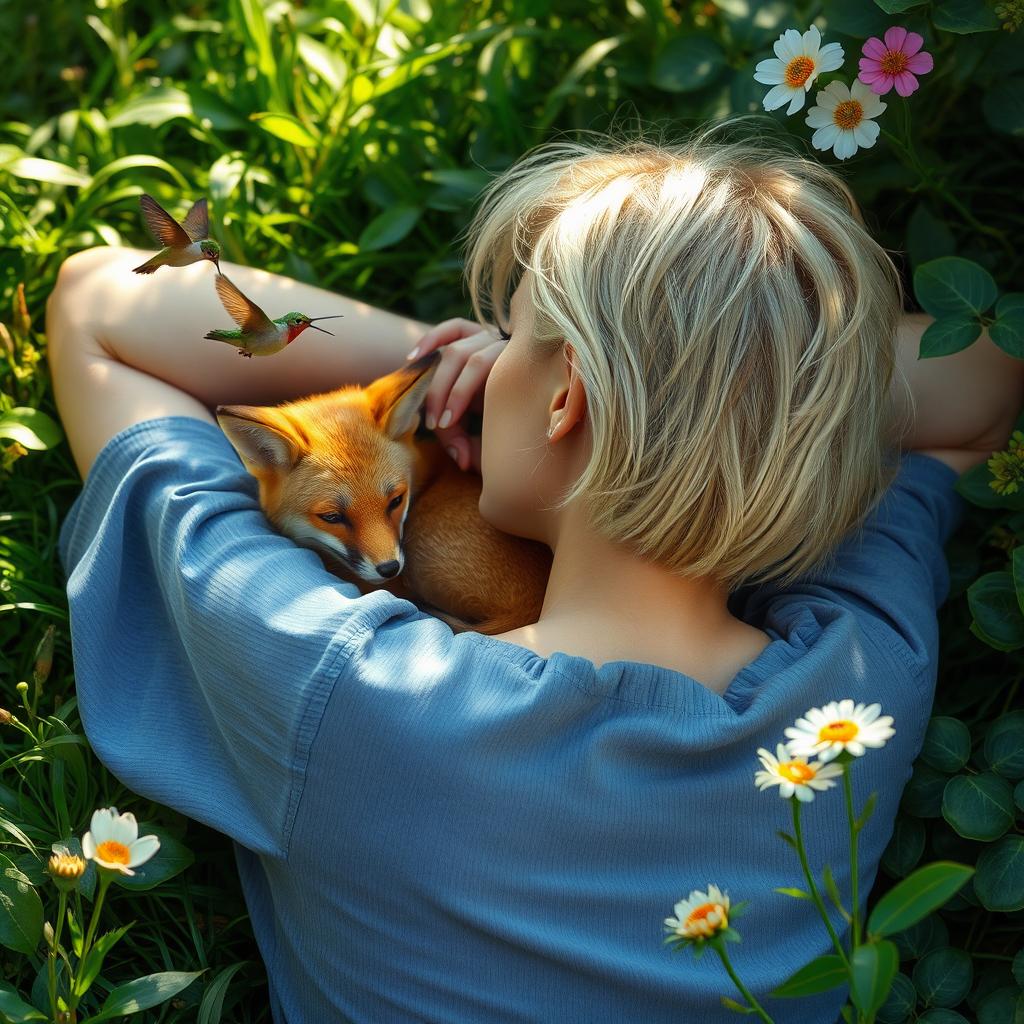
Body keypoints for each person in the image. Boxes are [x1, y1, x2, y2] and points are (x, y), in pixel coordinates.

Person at [46, 126, 1022, 1024]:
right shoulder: (854, 697)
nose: (487, 357)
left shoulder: (354, 694)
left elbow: (102, 307)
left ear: (564, 399)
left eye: (506, 336)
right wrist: (764, 385)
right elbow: (981, 375)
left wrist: (417, 357)